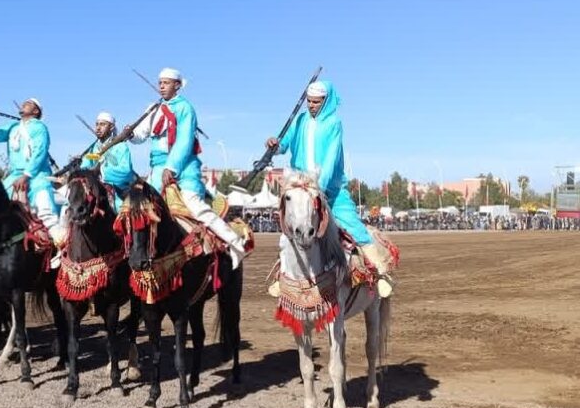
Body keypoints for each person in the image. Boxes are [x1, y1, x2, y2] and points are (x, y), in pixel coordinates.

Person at [266, 79, 393, 292]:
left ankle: (379, 272)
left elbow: (331, 158)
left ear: (326, 101)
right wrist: (275, 144)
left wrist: (318, 189)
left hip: (330, 190)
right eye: (309, 101)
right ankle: (282, 276)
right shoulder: (299, 120)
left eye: (316, 101)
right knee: (289, 225)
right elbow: (284, 144)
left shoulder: (334, 123)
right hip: (300, 187)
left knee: (353, 226)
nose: (311, 105)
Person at [136, 68, 249, 268]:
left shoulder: (185, 108)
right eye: (160, 82)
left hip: (184, 168)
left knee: (195, 206)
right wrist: (130, 134)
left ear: (177, 85)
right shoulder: (153, 109)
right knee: (138, 208)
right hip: (156, 170)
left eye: (166, 82)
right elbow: (140, 134)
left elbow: (184, 141)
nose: (161, 86)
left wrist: (171, 167)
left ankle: (235, 243)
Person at [0, 97, 64, 244]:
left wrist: (26, 175)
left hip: (38, 174)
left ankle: (61, 246)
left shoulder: (40, 127)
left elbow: (40, 152)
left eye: (29, 104)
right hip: (14, 175)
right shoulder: (13, 127)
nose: (24, 104)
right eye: (24, 103)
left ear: (36, 111)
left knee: (45, 208)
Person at [82, 111, 135, 206]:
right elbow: (86, 165)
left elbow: (126, 171)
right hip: (96, 190)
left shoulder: (121, 146)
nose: (98, 128)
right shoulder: (94, 148)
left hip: (118, 193)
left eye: (102, 124)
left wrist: (102, 171)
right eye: (97, 124)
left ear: (111, 127)